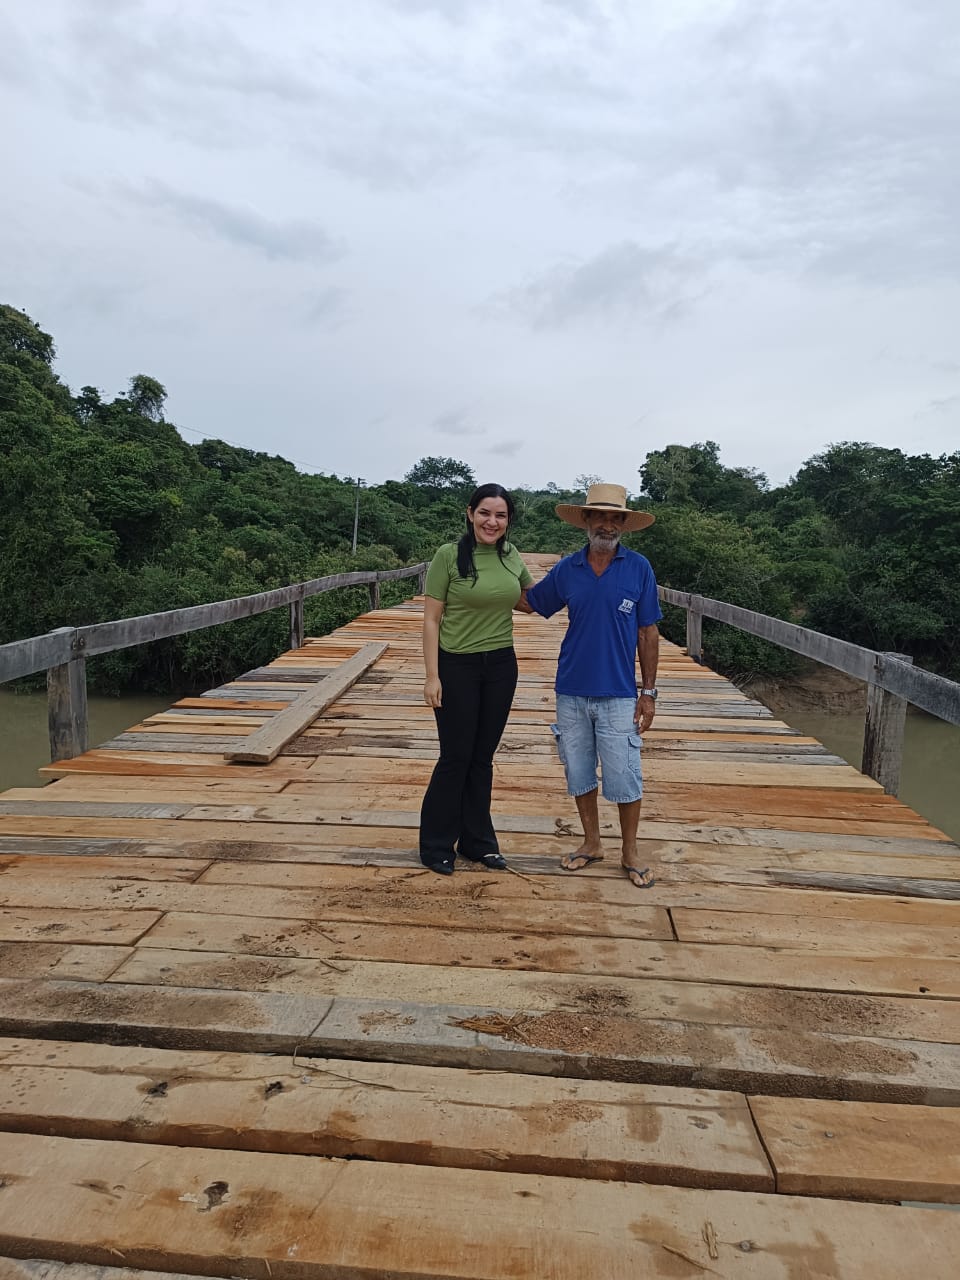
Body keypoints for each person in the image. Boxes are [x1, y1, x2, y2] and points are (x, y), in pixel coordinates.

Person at [521, 482, 661, 889]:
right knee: (579, 771)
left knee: (625, 774)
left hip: (619, 693)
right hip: (571, 690)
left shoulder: (639, 568)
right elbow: (532, 602)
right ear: (586, 520)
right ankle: (592, 842)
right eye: (599, 516)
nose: (607, 525)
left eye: (615, 518)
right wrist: (488, 576)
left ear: (623, 525)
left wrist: (648, 693)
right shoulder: (569, 569)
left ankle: (630, 851)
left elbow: (648, 633)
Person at [419, 483, 534, 876]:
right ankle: (436, 844)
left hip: (501, 665)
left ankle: (477, 842)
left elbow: (530, 600)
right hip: (456, 665)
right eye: (485, 512)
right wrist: (432, 676)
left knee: (482, 758)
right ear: (470, 514)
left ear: (508, 521)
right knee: (456, 756)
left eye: (500, 515)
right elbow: (431, 619)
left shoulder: (510, 555)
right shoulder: (448, 556)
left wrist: (584, 584)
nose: (492, 521)